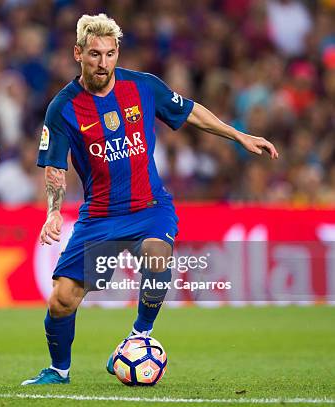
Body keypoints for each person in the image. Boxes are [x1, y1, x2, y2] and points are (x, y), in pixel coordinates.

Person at [22, 14, 278, 385]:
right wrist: (53, 212)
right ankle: (59, 370)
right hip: (101, 219)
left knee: (158, 255)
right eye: (94, 54)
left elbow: (191, 111)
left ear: (117, 52)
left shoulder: (143, 87)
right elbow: (55, 168)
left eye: (110, 54)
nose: (103, 62)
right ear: (78, 53)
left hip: (150, 207)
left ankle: (138, 335)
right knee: (62, 299)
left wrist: (238, 136)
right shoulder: (63, 108)